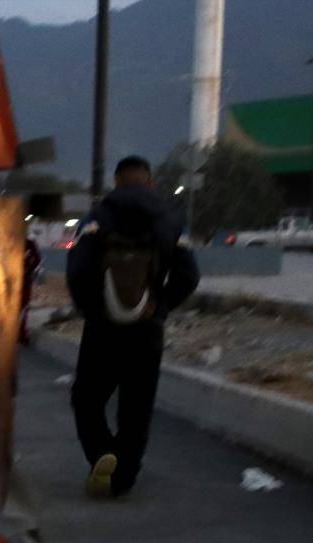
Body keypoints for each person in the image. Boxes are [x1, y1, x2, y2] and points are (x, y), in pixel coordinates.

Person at [65, 155, 200, 498]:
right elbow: (189, 275)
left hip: (103, 329)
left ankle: (102, 453)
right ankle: (123, 478)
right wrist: (161, 306)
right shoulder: (170, 219)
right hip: (147, 329)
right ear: (149, 182)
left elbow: (77, 270)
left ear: (117, 182)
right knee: (136, 408)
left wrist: (91, 308)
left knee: (87, 398)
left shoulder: (98, 218)